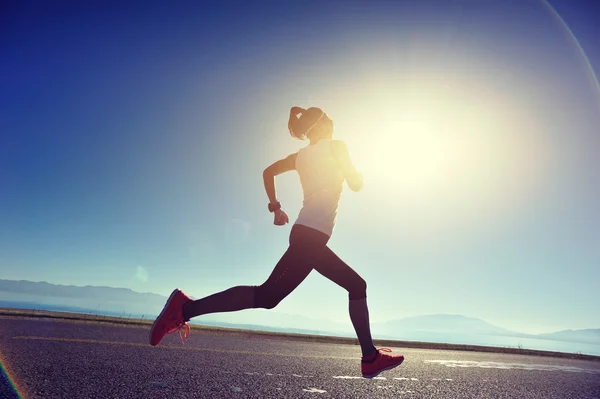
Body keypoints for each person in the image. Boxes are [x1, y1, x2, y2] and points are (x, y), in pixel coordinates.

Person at [149, 106, 404, 378]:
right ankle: (369, 358)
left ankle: (186, 308)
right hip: (310, 237)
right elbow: (355, 183)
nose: (332, 121)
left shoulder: (300, 156)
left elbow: (268, 172)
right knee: (351, 285)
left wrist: (275, 207)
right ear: (318, 125)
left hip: (307, 235)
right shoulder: (337, 146)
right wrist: (356, 175)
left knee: (268, 297)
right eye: (327, 118)